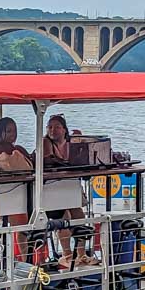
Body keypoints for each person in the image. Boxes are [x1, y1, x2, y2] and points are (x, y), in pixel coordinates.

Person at [41, 114, 93, 269]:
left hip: (68, 186)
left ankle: (81, 254)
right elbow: (49, 160)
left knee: (79, 215)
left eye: (57, 127)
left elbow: (81, 156)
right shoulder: (46, 142)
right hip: (50, 189)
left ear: (64, 129)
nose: (53, 130)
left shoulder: (70, 143)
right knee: (65, 216)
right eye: (50, 127)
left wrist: (79, 140)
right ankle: (67, 255)